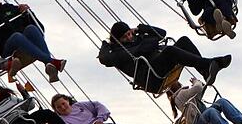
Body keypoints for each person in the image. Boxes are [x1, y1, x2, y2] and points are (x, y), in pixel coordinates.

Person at [98, 22, 232, 92]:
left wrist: (140, 29)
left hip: (157, 64)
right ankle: (209, 64)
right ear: (117, 40)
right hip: (150, 77)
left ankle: (205, 71)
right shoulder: (117, 54)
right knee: (170, 51)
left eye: (129, 33)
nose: (129, 37)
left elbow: (161, 34)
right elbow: (143, 48)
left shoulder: (136, 38)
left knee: (184, 41)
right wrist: (105, 45)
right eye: (125, 37)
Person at [0, 0, 67, 83]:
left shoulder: (12, 9)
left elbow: (40, 29)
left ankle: (49, 66)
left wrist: (28, 14)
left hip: (27, 44)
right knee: (16, 36)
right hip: (9, 52)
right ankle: (52, 62)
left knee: (31, 28)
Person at [168, 77, 242, 124]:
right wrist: (196, 81)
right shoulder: (180, 95)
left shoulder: (182, 95)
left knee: (221, 101)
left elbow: (198, 93)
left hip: (202, 116)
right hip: (198, 123)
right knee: (211, 111)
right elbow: (198, 88)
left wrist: (203, 84)